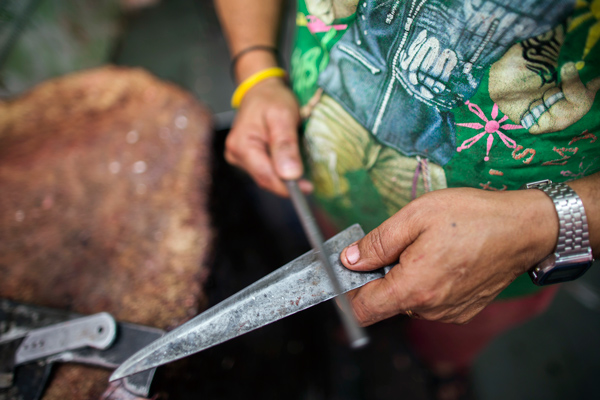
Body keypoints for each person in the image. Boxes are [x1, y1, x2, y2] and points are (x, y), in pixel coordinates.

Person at [215, 0, 599, 396]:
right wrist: (256, 72)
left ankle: (442, 365)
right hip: (327, 174)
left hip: (504, 253)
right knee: (346, 270)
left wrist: (547, 224)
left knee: (452, 336)